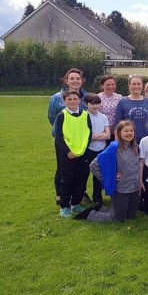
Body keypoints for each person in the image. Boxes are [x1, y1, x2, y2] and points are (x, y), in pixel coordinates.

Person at [79, 121, 142, 222]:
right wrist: (109, 178)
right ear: (119, 133)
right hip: (121, 189)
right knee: (118, 218)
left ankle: (101, 208)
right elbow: (94, 165)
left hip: (134, 188)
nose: (129, 133)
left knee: (130, 216)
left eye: (131, 131)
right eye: (126, 131)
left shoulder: (135, 147)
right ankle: (90, 214)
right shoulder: (114, 147)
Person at [49, 68, 88, 204]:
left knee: (79, 168)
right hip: (63, 140)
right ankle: (60, 195)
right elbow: (52, 117)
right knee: (63, 168)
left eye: (77, 78)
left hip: (80, 139)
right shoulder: (56, 98)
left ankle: (79, 194)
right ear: (66, 80)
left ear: (81, 81)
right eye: (72, 78)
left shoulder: (86, 97)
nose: (75, 81)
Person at [55, 90, 92, 218]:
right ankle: (64, 206)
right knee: (67, 180)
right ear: (64, 101)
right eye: (69, 99)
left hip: (82, 153)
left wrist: (84, 149)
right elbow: (59, 137)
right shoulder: (61, 115)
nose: (72, 101)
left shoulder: (85, 115)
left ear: (80, 100)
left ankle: (76, 203)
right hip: (68, 154)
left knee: (80, 179)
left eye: (75, 99)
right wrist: (68, 151)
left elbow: (89, 134)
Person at [82, 93, 110, 206]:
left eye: (97, 104)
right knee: (84, 173)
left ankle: (97, 198)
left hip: (101, 150)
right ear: (86, 104)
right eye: (92, 104)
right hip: (87, 150)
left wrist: (92, 136)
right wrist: (100, 135)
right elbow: (84, 136)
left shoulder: (103, 117)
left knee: (98, 175)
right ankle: (81, 195)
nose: (95, 106)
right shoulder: (83, 116)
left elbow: (108, 135)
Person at [114, 74, 148, 143]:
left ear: (142, 86)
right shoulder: (122, 102)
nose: (136, 86)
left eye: (138, 84)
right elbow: (118, 125)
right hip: (128, 140)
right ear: (129, 86)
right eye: (134, 84)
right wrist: (117, 142)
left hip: (146, 140)